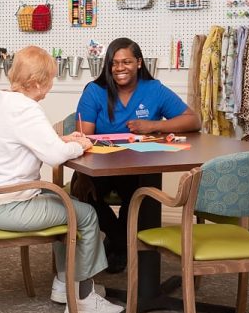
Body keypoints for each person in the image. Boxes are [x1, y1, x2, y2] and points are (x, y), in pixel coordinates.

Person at [0, 46, 122, 313]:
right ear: (36, 83)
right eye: (49, 80)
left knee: (64, 204)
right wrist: (80, 145)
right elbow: (55, 157)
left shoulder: (0, 100)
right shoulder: (27, 110)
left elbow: (28, 141)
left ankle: (64, 285)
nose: (50, 87)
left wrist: (62, 140)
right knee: (84, 215)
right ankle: (83, 299)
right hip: (5, 205)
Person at [76, 38, 201, 273]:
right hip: (99, 167)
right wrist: (83, 174)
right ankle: (121, 242)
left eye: (127, 62)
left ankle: (119, 247)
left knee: (140, 199)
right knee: (84, 196)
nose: (120, 68)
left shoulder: (153, 89)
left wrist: (153, 125)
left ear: (139, 63)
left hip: (139, 168)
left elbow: (193, 120)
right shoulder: (95, 91)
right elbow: (83, 138)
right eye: (114, 63)